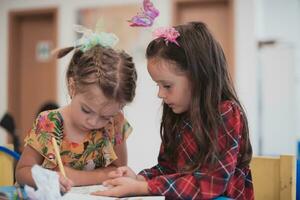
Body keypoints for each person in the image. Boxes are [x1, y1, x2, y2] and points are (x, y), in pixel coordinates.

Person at [93, 22, 254, 199]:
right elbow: (167, 168)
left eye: (167, 85)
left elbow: (212, 183)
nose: (160, 94)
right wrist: (139, 178)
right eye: (158, 85)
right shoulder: (177, 114)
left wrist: (143, 187)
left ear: (198, 77)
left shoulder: (225, 113)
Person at [15, 30, 137, 193]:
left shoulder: (115, 122)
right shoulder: (48, 123)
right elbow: (22, 171)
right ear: (72, 87)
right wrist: (47, 179)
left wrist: (75, 176)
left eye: (106, 116)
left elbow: (119, 171)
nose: (94, 122)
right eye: (86, 110)